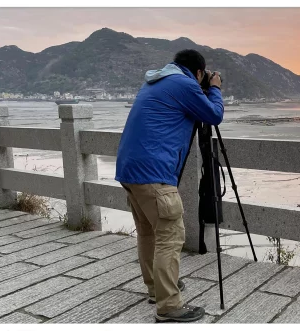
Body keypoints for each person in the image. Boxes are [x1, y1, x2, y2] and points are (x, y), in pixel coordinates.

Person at [115, 49, 223, 323]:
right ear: (198, 73)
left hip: (129, 171)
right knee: (170, 237)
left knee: (148, 233)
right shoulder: (185, 84)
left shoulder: (156, 81)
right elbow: (213, 115)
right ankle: (168, 305)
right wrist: (215, 88)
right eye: (204, 76)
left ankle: (156, 289)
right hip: (154, 174)